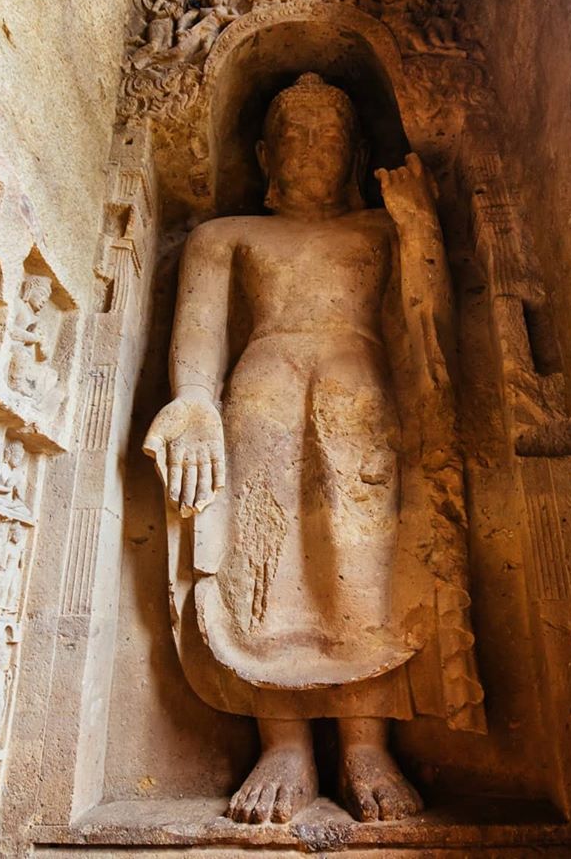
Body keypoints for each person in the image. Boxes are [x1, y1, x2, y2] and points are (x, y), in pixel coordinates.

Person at [144, 73, 484, 825]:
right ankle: (285, 742)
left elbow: (428, 326)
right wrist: (194, 400)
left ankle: (367, 742)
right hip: (260, 392)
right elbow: (198, 336)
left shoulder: (377, 233)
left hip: (358, 389)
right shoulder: (224, 236)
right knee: (264, 561)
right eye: (294, 133)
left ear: (357, 150)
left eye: (330, 134)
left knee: (363, 564)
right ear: (266, 152)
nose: (312, 148)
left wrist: (420, 228)